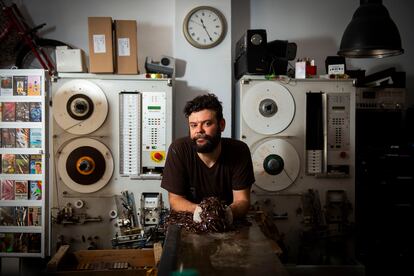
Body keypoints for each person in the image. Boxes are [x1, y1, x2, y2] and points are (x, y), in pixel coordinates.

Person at [161, 93, 255, 224]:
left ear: (221, 125)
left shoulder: (239, 151)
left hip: (228, 223)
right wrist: (201, 212)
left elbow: (242, 200)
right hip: (189, 222)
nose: (199, 130)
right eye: (193, 125)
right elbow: (175, 200)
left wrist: (226, 213)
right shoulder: (179, 150)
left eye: (207, 123)